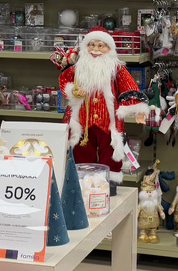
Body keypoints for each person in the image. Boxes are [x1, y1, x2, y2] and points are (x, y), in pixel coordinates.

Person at [57, 26, 149, 172]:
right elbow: (65, 81)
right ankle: (83, 178)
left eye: (101, 46)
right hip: (83, 120)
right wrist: (74, 91)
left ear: (109, 48)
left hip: (108, 120)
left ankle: (108, 179)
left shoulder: (116, 68)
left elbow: (129, 87)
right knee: (82, 151)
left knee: (110, 151)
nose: (95, 50)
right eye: (91, 45)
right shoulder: (78, 68)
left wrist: (138, 109)